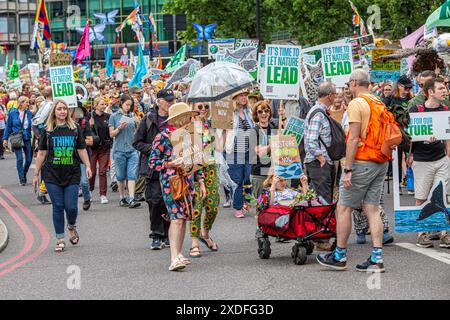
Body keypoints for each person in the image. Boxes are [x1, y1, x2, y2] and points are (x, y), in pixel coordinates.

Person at [317, 69, 397, 273]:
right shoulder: (378, 102)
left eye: (348, 84)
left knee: (344, 207)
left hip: (362, 161)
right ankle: (377, 258)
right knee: (372, 208)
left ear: (354, 83)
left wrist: (348, 169)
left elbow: (352, 138)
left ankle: (339, 255)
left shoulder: (356, 104)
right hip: (381, 160)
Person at [149, 102, 206, 271]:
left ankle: (179, 253)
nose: (191, 119)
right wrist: (170, 163)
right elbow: (153, 162)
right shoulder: (162, 137)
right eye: (188, 117)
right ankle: (174, 257)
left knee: (184, 217)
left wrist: (201, 181)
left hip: (188, 182)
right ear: (179, 119)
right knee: (176, 218)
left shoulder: (191, 136)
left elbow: (197, 161)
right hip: (171, 182)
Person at [32, 99, 92, 252]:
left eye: (64, 109)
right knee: (58, 206)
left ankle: (71, 226)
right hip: (51, 175)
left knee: (71, 207)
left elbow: (81, 149)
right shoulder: (48, 130)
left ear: (68, 111)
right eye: (59, 109)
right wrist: (36, 174)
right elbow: (41, 153)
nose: (62, 111)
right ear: (54, 112)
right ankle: (60, 238)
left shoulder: (75, 129)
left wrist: (88, 166)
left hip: (72, 173)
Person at [409, 77, 450, 248]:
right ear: (430, 92)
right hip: (421, 160)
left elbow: (448, 136)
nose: (445, 91)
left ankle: (445, 233)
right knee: (421, 197)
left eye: (445, 87)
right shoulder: (416, 110)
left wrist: (448, 157)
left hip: (441, 159)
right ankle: (422, 234)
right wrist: (409, 155)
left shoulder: (445, 109)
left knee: (445, 195)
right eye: (441, 88)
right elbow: (409, 135)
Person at [133, 89, 175, 250]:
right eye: (168, 100)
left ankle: (168, 233)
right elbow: (136, 142)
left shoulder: (176, 119)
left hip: (172, 167)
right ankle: (156, 235)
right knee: (155, 201)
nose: (171, 103)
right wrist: (156, 149)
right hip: (153, 167)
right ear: (158, 101)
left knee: (170, 201)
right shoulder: (148, 119)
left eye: (172, 100)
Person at [189, 102, 220, 258]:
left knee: (213, 206)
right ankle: (194, 243)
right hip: (193, 169)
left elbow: (220, 148)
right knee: (196, 207)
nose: (203, 110)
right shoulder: (187, 127)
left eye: (206, 107)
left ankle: (205, 233)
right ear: (193, 107)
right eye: (199, 107)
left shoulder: (210, 126)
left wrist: (224, 131)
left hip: (210, 168)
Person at [223, 89, 255, 218]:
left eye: (245, 95)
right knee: (237, 179)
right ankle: (238, 207)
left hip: (248, 149)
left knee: (248, 177)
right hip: (234, 151)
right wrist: (225, 126)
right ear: (235, 98)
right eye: (241, 95)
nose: (244, 97)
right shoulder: (229, 113)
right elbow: (219, 128)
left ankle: (246, 201)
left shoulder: (249, 111)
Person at [304, 82, 336, 204]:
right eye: (335, 94)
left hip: (318, 163)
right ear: (330, 95)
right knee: (323, 200)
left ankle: (317, 223)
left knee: (317, 199)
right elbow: (311, 140)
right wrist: (321, 158)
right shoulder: (318, 113)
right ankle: (322, 223)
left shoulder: (320, 111)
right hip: (318, 163)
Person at [109, 94, 141, 208]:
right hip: (119, 150)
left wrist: (137, 123)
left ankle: (132, 198)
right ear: (121, 103)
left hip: (132, 150)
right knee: (120, 176)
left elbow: (138, 133)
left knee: (132, 175)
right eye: (127, 104)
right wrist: (119, 128)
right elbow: (111, 134)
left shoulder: (133, 116)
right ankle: (122, 197)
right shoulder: (114, 116)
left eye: (130, 105)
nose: (128, 107)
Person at [3, 96, 33, 185]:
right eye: (26, 102)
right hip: (17, 138)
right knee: (19, 159)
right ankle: (22, 178)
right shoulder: (13, 113)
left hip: (27, 138)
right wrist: (5, 139)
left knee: (28, 160)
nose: (28, 104)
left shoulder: (30, 113)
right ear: (21, 103)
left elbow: (32, 125)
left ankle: (23, 173)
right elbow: (8, 127)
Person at [251, 100, 277, 199]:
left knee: (274, 204)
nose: (264, 114)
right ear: (256, 115)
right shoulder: (253, 131)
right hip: (259, 174)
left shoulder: (273, 127)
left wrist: (283, 116)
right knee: (261, 205)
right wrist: (272, 145)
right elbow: (259, 152)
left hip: (273, 172)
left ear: (269, 113)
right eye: (260, 112)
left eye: (266, 111)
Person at [89, 96, 112, 204]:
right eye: (101, 104)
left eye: (104, 104)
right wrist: (90, 125)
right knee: (92, 172)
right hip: (93, 148)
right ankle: (89, 191)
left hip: (105, 148)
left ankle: (103, 194)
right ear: (96, 105)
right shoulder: (90, 117)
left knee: (102, 171)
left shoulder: (108, 116)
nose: (104, 106)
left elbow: (111, 131)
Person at [71, 102, 93, 210]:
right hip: (69, 157)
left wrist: (78, 141)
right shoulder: (66, 123)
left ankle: (87, 198)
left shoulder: (84, 122)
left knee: (84, 181)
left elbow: (90, 141)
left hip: (82, 157)